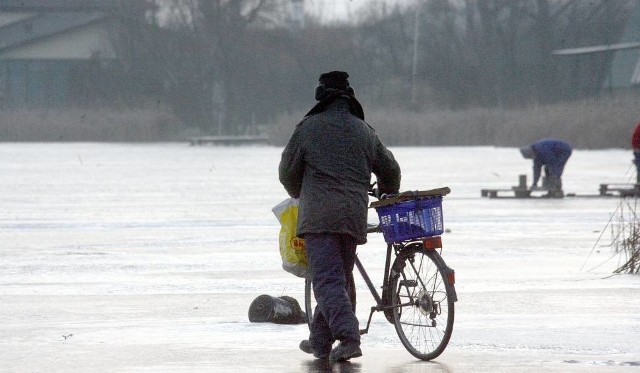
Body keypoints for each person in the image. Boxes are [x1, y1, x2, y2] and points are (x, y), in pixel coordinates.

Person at [279, 71, 401, 364]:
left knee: (326, 280)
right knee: (338, 278)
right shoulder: (364, 131)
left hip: (320, 217)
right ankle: (320, 342)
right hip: (352, 217)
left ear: (322, 97)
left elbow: (287, 172)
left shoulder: (308, 129)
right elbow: (391, 170)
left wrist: (299, 192)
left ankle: (348, 338)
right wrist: (385, 192)